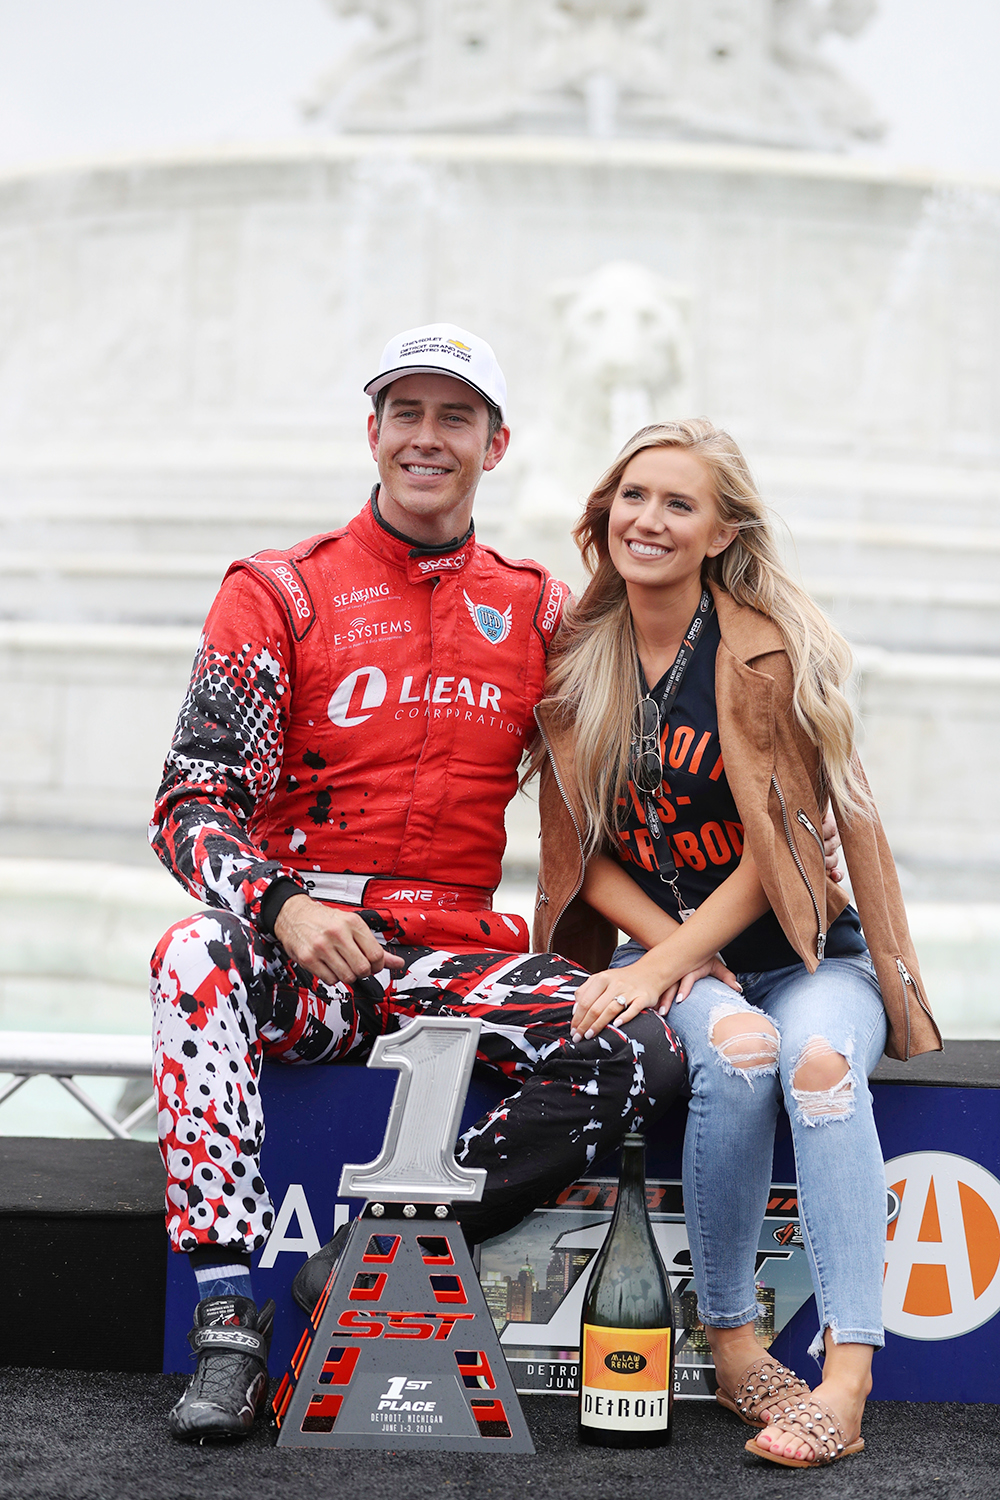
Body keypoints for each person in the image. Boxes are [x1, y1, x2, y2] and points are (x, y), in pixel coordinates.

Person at [149, 325, 694, 1442]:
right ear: (374, 434)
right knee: (188, 955)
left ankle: (364, 1251)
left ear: (496, 447)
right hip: (311, 953)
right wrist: (287, 907)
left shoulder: (544, 611)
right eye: (407, 414)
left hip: (456, 960)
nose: (427, 438)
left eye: (455, 418)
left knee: (647, 1041)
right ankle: (226, 1331)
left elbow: (658, 744)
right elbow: (188, 806)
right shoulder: (278, 592)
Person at [531, 418, 941, 1469]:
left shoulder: (763, 650)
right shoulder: (583, 659)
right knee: (743, 1055)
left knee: (815, 1065)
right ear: (604, 513)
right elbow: (587, 859)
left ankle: (845, 1379)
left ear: (720, 533)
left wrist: (677, 963)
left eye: (678, 503)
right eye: (632, 497)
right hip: (666, 946)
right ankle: (731, 1339)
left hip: (805, 949)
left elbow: (779, 852)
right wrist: (672, 953)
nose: (648, 520)